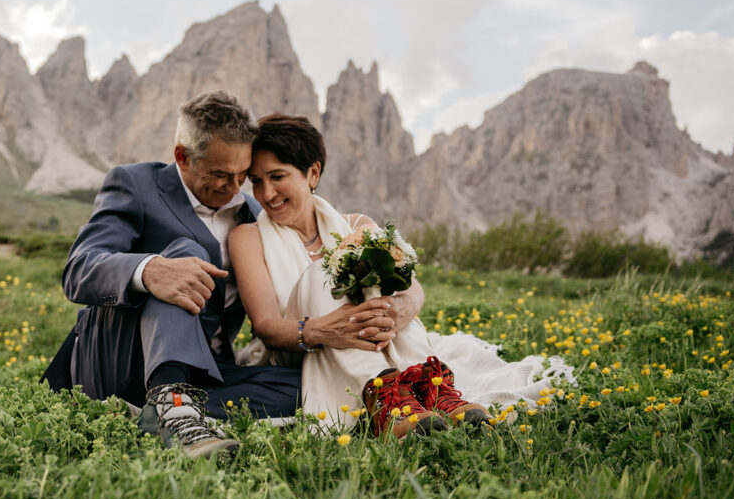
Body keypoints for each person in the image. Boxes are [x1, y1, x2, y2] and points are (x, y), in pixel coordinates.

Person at [40, 91, 413, 458]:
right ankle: (170, 405)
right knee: (186, 252)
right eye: (220, 174)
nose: (234, 189)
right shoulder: (136, 185)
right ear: (182, 157)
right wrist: (150, 270)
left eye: (242, 176)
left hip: (209, 370)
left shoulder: (253, 213)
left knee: (318, 387)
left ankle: (167, 412)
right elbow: (79, 267)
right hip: (118, 356)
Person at [229, 114, 574, 437]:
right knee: (327, 268)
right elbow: (266, 326)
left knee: (384, 279)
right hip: (300, 347)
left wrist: (396, 313)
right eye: (256, 182)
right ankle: (384, 399)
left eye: (277, 177)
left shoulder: (356, 225)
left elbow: (413, 288)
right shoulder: (248, 237)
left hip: (370, 337)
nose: (265, 195)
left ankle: (433, 389)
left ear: (313, 174)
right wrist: (330, 329)